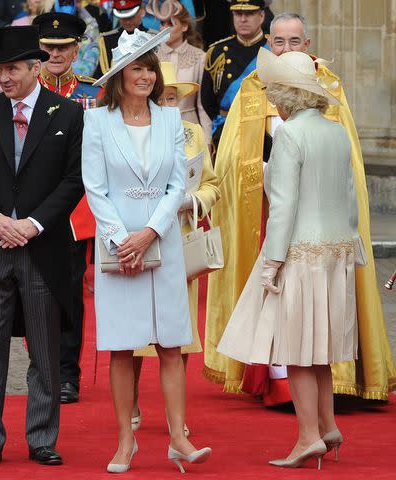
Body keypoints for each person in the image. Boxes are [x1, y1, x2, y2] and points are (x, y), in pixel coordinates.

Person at [205, 12, 396, 405]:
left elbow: (348, 177)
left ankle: (310, 425)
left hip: (294, 227)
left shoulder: (328, 89)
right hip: (273, 213)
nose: (287, 48)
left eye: (295, 42)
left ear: (307, 45)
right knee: (315, 324)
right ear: (268, 44)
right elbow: (230, 159)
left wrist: (272, 261)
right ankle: (305, 411)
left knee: (298, 326)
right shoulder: (252, 88)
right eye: (279, 42)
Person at [217, 48, 359, 469]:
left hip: (300, 252)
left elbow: (283, 206)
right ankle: (328, 427)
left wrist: (272, 262)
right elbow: (349, 199)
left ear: (288, 95)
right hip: (336, 252)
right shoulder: (336, 132)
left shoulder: (290, 135)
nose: (271, 99)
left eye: (275, 91)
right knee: (320, 349)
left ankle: (308, 438)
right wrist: (355, 249)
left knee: (298, 351)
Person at [84, 28, 212, 474]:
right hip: (117, 250)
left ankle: (178, 436)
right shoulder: (96, 122)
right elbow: (95, 189)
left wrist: (151, 233)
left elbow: (180, 182)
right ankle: (125, 441)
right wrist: (124, 240)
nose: (144, 76)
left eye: (149, 69)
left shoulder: (171, 120)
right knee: (122, 347)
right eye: (136, 68)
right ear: (119, 76)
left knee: (172, 344)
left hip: (164, 243)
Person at [0, 25, 84, 468]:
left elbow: (73, 181)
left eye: (12, 69)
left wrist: (32, 224)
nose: (3, 78)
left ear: (36, 68)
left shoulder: (66, 114)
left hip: (42, 250)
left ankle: (41, 438)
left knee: (45, 350)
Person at [132, 60, 220, 438]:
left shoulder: (193, 134)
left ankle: (176, 413)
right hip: (138, 238)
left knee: (179, 331)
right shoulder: (131, 132)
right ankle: (131, 401)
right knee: (134, 329)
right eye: (161, 96)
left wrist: (192, 202)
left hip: (180, 238)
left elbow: (213, 185)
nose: (167, 104)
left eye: (172, 97)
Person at [33, 11, 102, 404]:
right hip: (30, 207)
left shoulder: (96, 94)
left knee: (69, 293)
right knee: (31, 290)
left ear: (77, 49)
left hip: (77, 213)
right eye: (47, 47)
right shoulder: (25, 92)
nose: (55, 53)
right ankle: (40, 366)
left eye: (62, 47)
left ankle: (66, 374)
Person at [200, 0, 267, 148]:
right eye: (238, 13)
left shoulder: (273, 50)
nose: (243, 19)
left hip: (263, 132)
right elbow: (207, 98)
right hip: (226, 131)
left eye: (249, 13)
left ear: (261, 16)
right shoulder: (217, 52)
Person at [149, 0, 212, 147]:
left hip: (189, 127)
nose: (164, 28)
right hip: (157, 126)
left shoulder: (199, 56)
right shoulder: (152, 57)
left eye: (170, 24)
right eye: (162, 23)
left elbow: (203, 105)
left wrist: (207, 140)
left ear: (184, 26)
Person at [95, 0, 154, 77]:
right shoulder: (107, 40)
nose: (127, 22)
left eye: (131, 16)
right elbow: (100, 76)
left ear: (142, 10)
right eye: (123, 17)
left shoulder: (154, 38)